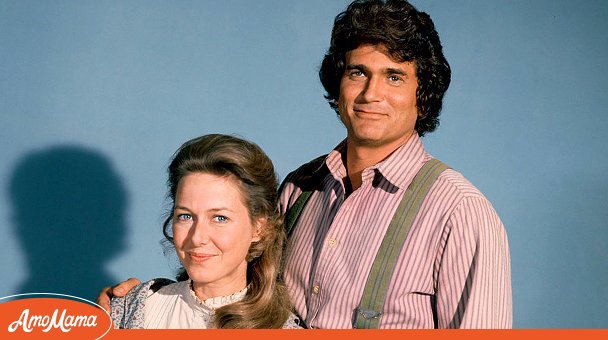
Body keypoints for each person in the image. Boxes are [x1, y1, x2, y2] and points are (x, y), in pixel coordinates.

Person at [99, 0, 511, 329]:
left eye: (395, 77)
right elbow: (239, 284)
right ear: (338, 82)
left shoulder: (460, 212)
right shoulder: (300, 188)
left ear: (424, 94)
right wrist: (148, 303)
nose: (371, 93)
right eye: (358, 73)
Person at [109, 134, 300, 329]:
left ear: (259, 228)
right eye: (185, 216)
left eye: (220, 218)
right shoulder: (131, 308)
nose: (197, 237)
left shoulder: (283, 329)